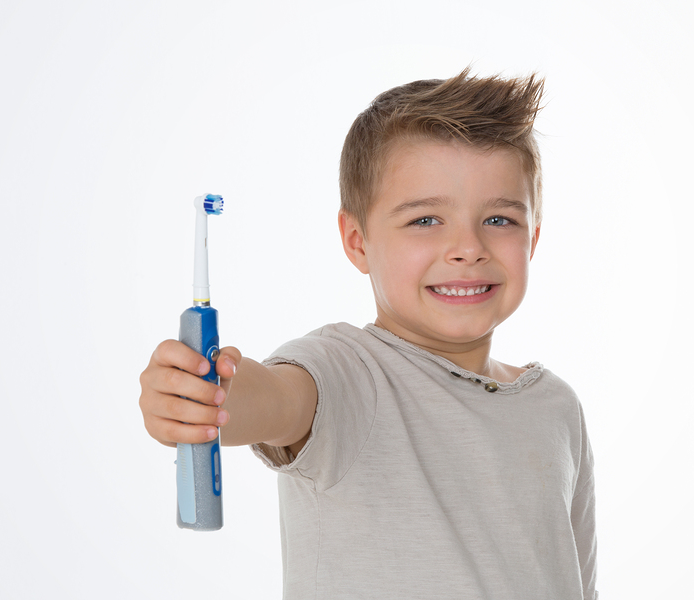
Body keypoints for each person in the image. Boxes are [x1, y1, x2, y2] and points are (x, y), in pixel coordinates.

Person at [139, 68, 598, 599]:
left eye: (499, 220)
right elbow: (276, 399)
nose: (468, 247)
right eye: (426, 220)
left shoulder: (557, 408)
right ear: (357, 240)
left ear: (534, 237)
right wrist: (203, 396)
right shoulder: (348, 373)